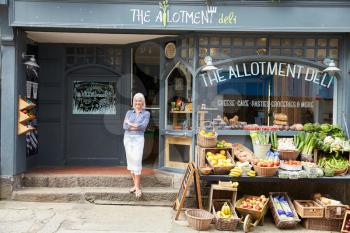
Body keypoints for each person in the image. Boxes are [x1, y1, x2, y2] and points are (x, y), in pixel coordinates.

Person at [123, 93, 150, 198]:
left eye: (139, 101)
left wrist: (131, 124)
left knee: (137, 160)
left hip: (138, 138)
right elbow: (124, 126)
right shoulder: (129, 112)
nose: (137, 102)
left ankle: (137, 187)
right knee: (131, 161)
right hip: (128, 138)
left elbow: (143, 126)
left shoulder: (146, 113)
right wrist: (134, 125)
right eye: (136, 101)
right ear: (133, 102)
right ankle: (135, 186)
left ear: (143, 102)